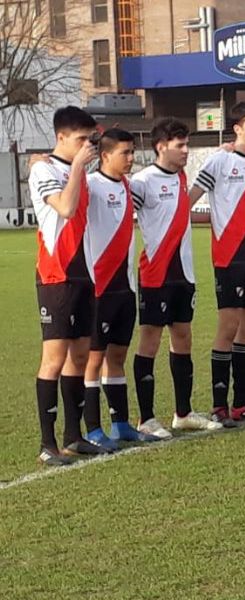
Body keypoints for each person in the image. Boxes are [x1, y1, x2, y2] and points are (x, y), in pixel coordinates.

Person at [129, 118, 223, 436]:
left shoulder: (181, 177)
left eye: (187, 144)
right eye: (180, 145)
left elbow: (182, 211)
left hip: (184, 273)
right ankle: (145, 418)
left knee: (183, 338)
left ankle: (182, 413)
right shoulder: (142, 181)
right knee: (150, 342)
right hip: (156, 273)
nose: (186, 151)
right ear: (160, 146)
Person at [190, 102, 245, 425]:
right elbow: (189, 200)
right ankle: (219, 404)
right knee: (228, 328)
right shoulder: (218, 160)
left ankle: (243, 403)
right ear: (237, 128)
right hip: (229, 255)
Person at [28, 106, 108, 465]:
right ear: (61, 137)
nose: (85, 147)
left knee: (80, 356)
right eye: (80, 140)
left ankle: (73, 437)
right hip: (56, 275)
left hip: (82, 274)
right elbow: (65, 208)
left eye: (88, 140)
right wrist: (77, 167)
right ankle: (48, 445)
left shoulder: (82, 173)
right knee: (54, 358)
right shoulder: (44, 169)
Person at [82, 128, 160, 445]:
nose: (130, 159)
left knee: (117, 355)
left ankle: (122, 423)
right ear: (105, 156)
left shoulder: (129, 186)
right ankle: (92, 429)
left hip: (125, 287)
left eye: (132, 153)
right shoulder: (90, 186)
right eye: (124, 153)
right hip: (99, 287)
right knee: (93, 359)